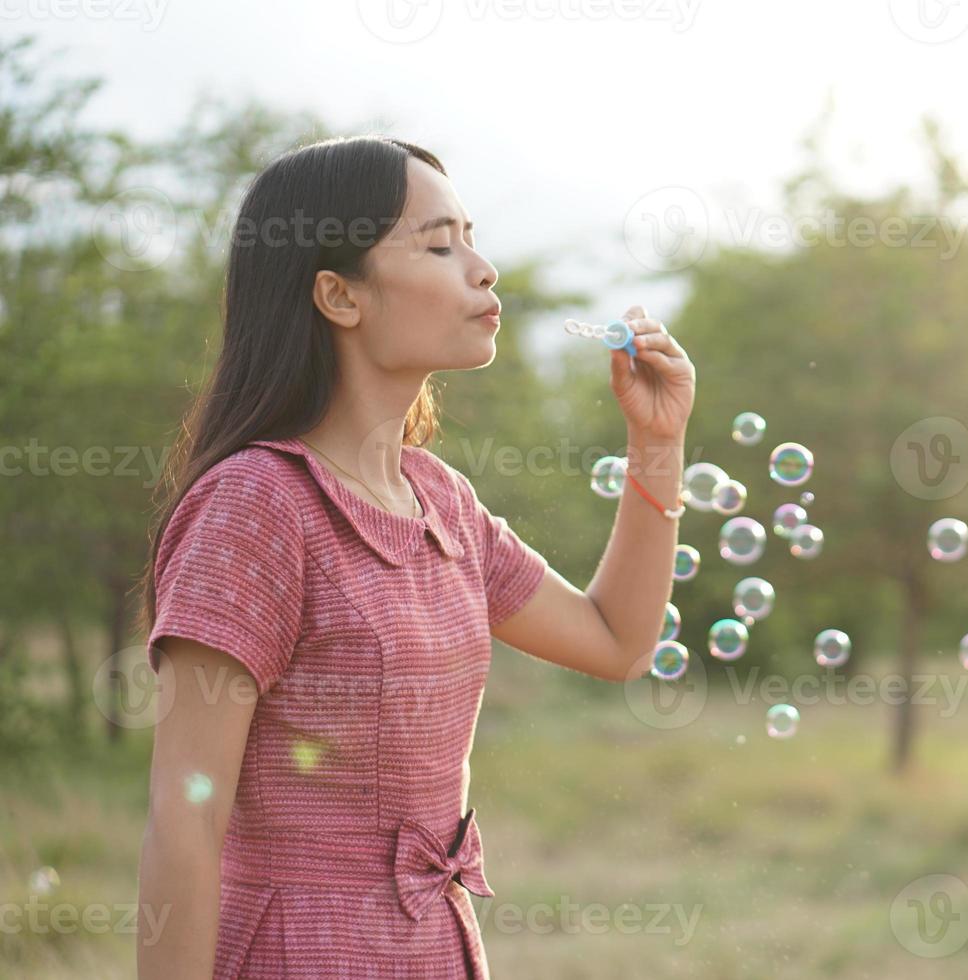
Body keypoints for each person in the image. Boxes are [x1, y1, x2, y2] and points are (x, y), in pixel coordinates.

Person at [133, 135, 695, 978]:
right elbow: (186, 813)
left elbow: (616, 640)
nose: (483, 268)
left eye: (471, 237)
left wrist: (658, 440)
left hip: (432, 945)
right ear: (338, 294)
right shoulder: (257, 504)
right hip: (301, 952)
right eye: (438, 244)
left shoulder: (442, 502)